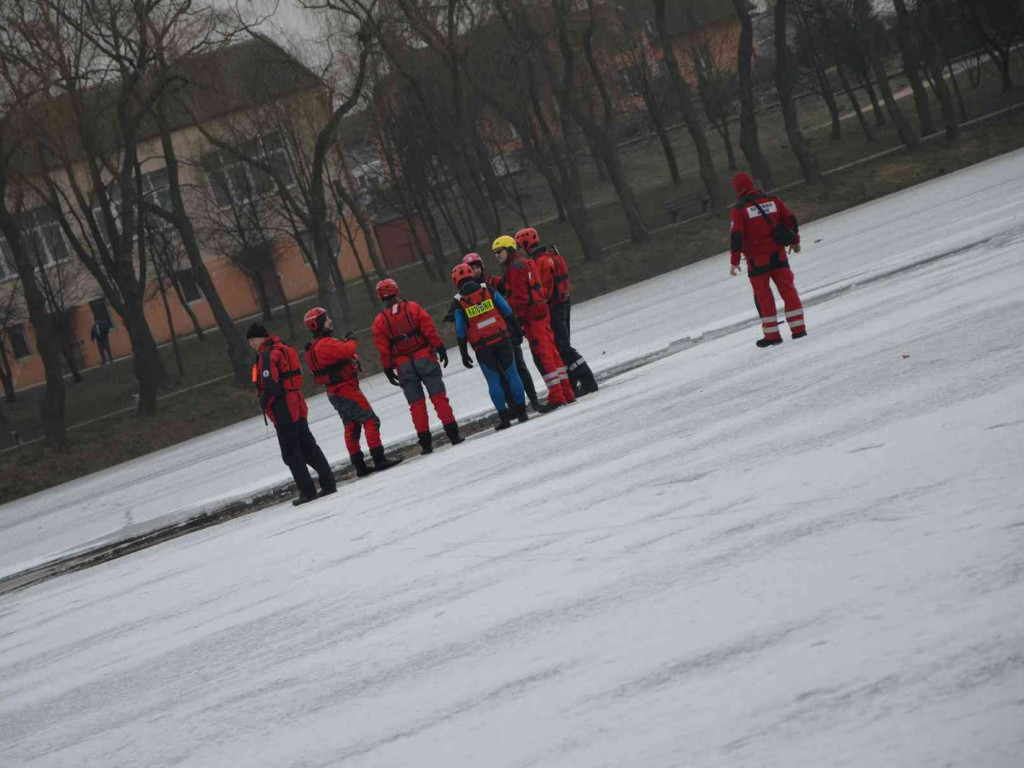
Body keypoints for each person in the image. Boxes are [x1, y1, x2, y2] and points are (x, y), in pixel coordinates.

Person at [303, 307, 402, 478]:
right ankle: (379, 459)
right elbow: (346, 350)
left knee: (352, 426)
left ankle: (360, 466)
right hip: (345, 390)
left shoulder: (317, 345)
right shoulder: (324, 345)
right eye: (326, 320)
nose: (330, 321)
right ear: (318, 324)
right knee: (371, 420)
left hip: (336, 392)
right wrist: (351, 340)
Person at [371, 278, 464, 455]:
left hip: (403, 365)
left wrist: (388, 368)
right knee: (439, 398)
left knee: (416, 405)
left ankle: (426, 444)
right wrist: (439, 346)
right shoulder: (413, 308)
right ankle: (453, 435)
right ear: (396, 290)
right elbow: (428, 329)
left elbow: (383, 348)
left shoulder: (380, 321)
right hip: (424, 358)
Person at [247, 323, 336, 506]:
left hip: (284, 409)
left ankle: (307, 491)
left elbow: (271, 386)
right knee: (309, 447)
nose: (251, 344)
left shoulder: (266, 356)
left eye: (252, 340)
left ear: (261, 337)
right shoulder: (286, 349)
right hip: (298, 404)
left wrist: (264, 403)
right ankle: (328, 483)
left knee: (291, 453)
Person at [491, 235, 574, 408]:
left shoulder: (514, 268)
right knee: (552, 352)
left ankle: (557, 396)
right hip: (542, 312)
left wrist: (512, 317)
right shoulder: (527, 262)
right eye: (495, 253)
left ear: (509, 249)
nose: (497, 256)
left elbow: (519, 297)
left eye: (499, 251)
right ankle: (567, 392)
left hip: (531, 316)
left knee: (543, 355)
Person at [514, 227, 598, 395]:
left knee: (562, 346)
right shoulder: (553, 256)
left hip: (554, 308)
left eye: (519, 247)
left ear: (526, 244)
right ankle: (572, 383)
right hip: (563, 304)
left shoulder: (541, 262)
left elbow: (543, 290)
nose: (519, 251)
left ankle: (588, 381)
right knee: (560, 346)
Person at [461, 252, 547, 413]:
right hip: (489, 341)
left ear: (482, 267)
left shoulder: (495, 282)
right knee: (500, 375)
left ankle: (534, 400)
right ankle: (513, 406)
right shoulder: (465, 297)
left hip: (507, 333)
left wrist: (516, 327)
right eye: (471, 269)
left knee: (519, 367)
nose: (475, 271)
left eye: (477, 267)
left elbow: (512, 298)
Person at [729, 172, 806, 347]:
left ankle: (772, 336)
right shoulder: (773, 200)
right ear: (752, 184)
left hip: (757, 261)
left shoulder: (739, 210)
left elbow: (737, 236)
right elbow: (790, 220)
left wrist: (734, 261)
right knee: (789, 291)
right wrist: (795, 241)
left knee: (764, 296)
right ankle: (799, 329)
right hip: (779, 256)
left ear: (737, 189)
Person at [451, 263, 530, 430]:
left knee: (494, 381)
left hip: (482, 347)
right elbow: (507, 310)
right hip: (502, 339)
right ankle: (523, 413)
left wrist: (464, 353)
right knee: (512, 374)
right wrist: (517, 329)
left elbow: (460, 329)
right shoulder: (487, 289)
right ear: (472, 275)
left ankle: (504, 418)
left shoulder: (458, 302)